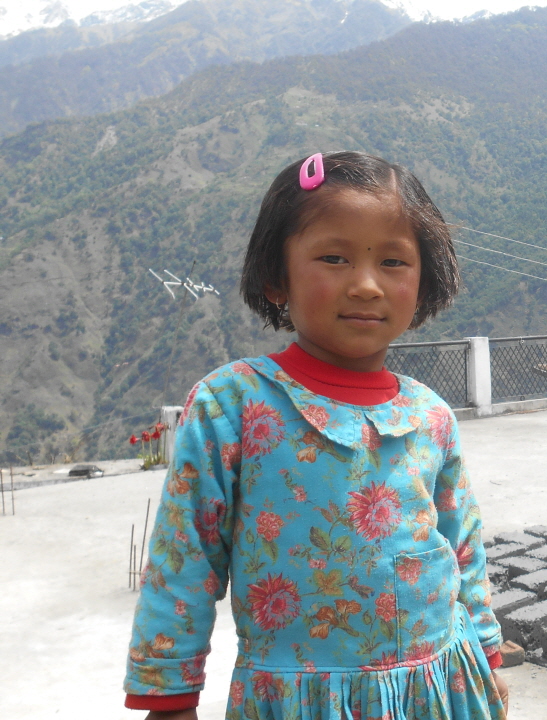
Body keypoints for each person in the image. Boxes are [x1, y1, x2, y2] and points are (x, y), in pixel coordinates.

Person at [122, 152, 507, 719]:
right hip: (300, 699)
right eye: (334, 257)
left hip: (439, 687)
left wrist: (488, 657)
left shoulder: (431, 415)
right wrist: (168, 697)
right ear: (277, 277)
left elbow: (463, 549)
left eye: (395, 262)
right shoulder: (234, 405)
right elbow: (184, 559)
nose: (367, 285)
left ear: (425, 282)